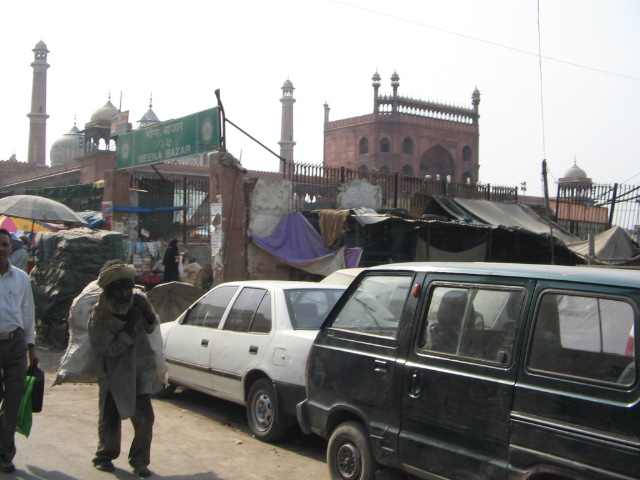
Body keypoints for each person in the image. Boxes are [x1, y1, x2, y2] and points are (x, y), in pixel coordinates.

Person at [88, 260, 163, 478]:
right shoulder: (99, 316)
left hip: (139, 369)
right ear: (108, 290)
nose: (123, 293)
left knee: (145, 417)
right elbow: (109, 349)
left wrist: (146, 311)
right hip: (113, 372)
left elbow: (151, 327)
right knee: (110, 416)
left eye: (127, 288)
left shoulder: (137, 302)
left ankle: (140, 461)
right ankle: (104, 456)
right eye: (117, 289)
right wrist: (130, 324)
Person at [0, 228, 39, 473]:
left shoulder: (21, 278)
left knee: (13, 401)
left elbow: (28, 313)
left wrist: (31, 347)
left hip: (15, 345)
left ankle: (5, 454)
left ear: (10, 248)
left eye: (4, 245)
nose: (0, 249)